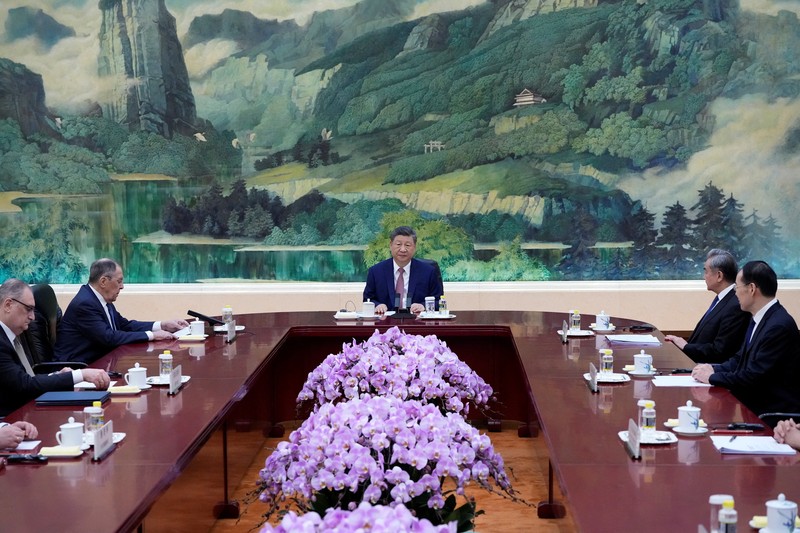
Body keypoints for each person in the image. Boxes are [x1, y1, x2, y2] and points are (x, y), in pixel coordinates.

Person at [691, 261, 800, 418]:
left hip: (772, 416)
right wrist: (713, 369)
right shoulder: (759, 318)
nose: (735, 293)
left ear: (752, 289)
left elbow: (752, 376)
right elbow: (739, 359)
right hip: (753, 409)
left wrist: (712, 377)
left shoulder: (778, 326)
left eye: (737, 287)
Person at [0, 279, 110, 416]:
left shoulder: (11, 336)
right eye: (28, 309)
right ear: (8, 305)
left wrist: (56, 376)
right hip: (11, 420)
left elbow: (24, 380)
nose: (32, 317)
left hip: (26, 412)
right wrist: (80, 374)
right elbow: (25, 386)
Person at [54, 259, 189, 364]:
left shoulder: (99, 299)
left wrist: (162, 325)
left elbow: (124, 325)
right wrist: (152, 335)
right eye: (119, 281)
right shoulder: (85, 304)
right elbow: (109, 337)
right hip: (76, 367)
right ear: (103, 281)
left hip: (100, 363)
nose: (122, 286)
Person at [664, 249, 750, 363]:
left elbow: (721, 350)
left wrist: (685, 346)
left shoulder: (735, 305)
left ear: (719, 276)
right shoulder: (722, 299)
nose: (703, 277)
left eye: (706, 271)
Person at [363, 226, 443, 315]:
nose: (403, 249)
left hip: (417, 323)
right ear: (390, 245)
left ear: (414, 247)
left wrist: (423, 306)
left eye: (408, 245)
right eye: (398, 244)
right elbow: (367, 299)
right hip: (386, 323)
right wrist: (377, 305)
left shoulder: (428, 272)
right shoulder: (376, 271)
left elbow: (438, 301)